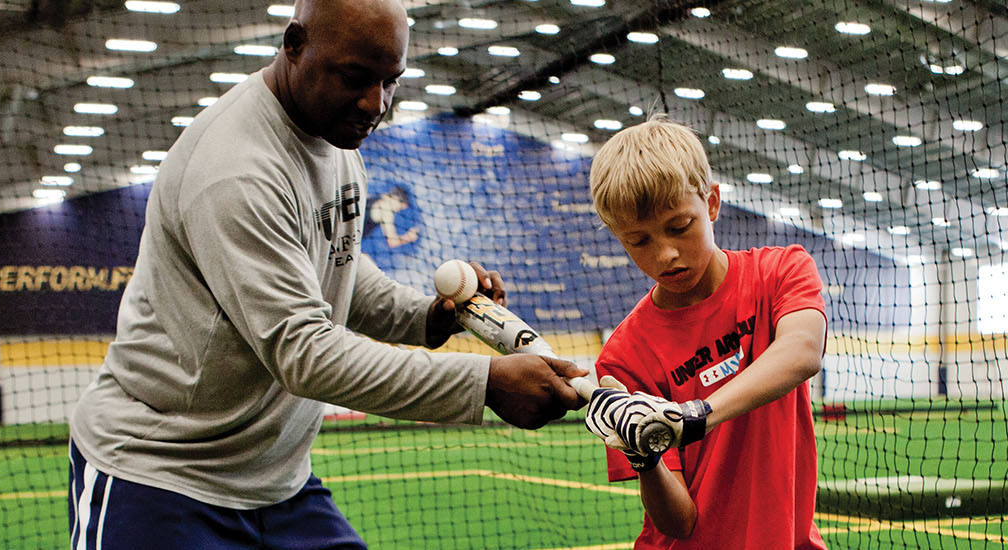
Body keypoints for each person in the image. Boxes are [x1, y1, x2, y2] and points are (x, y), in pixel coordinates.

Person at [67, 0, 587, 547]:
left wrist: (429, 319)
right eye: (356, 78)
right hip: (162, 476)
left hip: (278, 484)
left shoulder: (335, 142)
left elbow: (336, 265)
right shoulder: (236, 170)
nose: (375, 104)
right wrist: (484, 385)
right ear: (294, 45)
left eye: (391, 82)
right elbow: (304, 351)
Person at [579, 115, 828, 549]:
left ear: (711, 203)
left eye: (679, 227)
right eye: (638, 241)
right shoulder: (624, 355)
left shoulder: (779, 272)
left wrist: (693, 416)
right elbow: (679, 522)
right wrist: (645, 458)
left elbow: (803, 351)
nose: (666, 254)